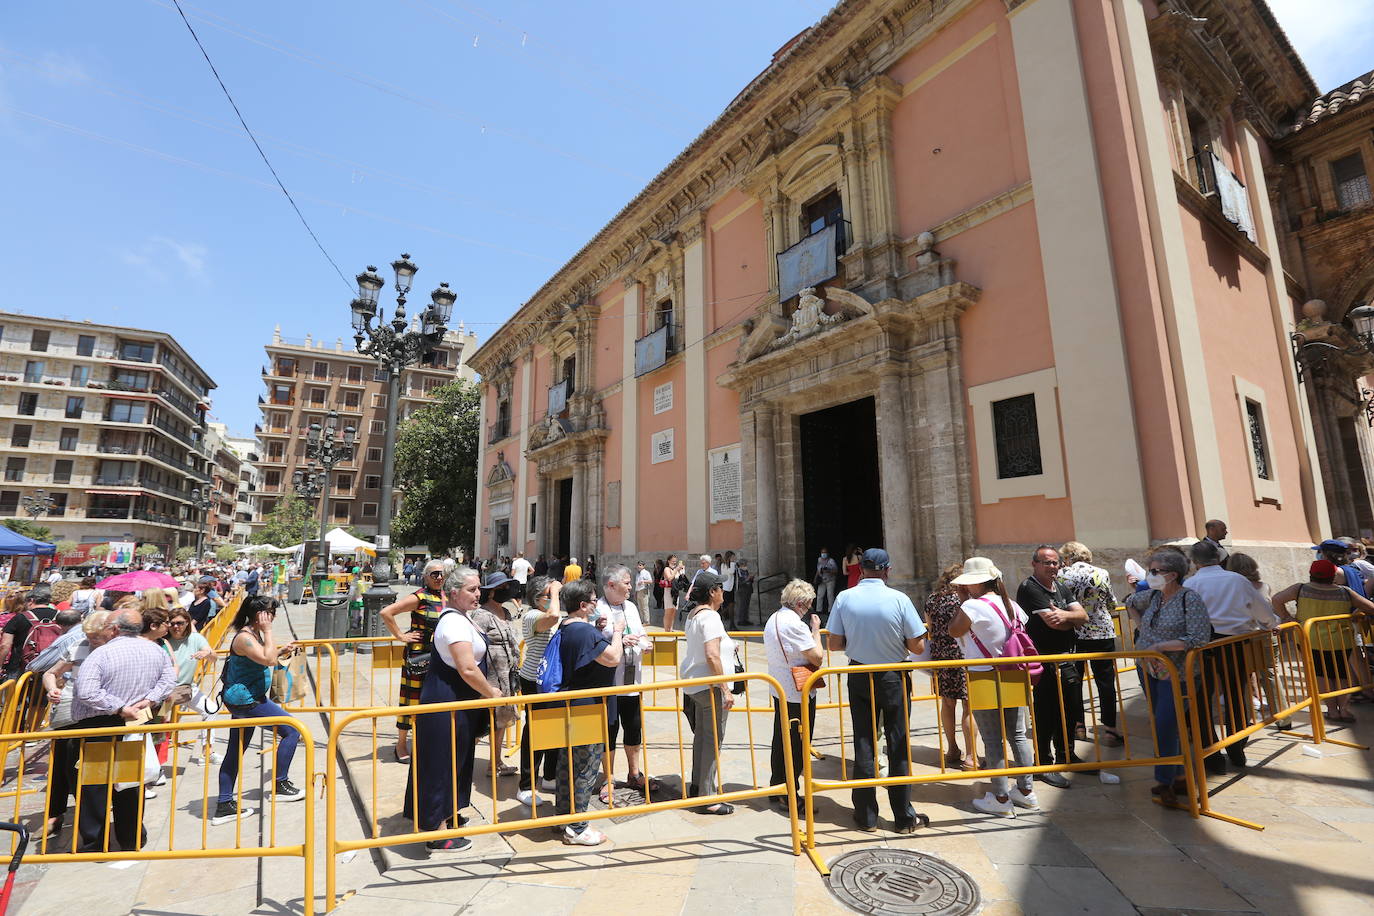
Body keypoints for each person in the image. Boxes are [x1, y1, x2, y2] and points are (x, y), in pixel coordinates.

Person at [827, 548, 928, 832]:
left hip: (859, 674)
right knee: (898, 744)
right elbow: (918, 647)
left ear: (860, 569)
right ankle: (903, 817)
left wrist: (859, 642)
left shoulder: (844, 598)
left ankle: (866, 815)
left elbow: (833, 644)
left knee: (864, 741)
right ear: (887, 569)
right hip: (893, 675)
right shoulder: (899, 599)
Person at [409, 566, 502, 853]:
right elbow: (467, 668)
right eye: (472, 590)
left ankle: (447, 816)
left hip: (458, 703)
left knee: (456, 761)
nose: (478, 594)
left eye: (478, 589)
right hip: (444, 701)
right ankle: (435, 831)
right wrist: (492, 693)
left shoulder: (463, 619)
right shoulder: (453, 623)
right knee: (440, 763)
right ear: (453, 593)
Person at [69, 608, 176, 851]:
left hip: (99, 726)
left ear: (115, 628)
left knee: (94, 786)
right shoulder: (155, 650)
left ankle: (97, 843)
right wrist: (149, 700)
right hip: (134, 724)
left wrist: (119, 707)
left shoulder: (101, 654)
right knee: (129, 784)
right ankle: (132, 838)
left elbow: (86, 691)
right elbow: (169, 680)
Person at [946, 557, 1038, 817]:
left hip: (983, 675)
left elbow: (954, 630)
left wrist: (964, 602)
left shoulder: (973, 606)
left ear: (973, 583)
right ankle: (1027, 791)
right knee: (1018, 734)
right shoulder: (1013, 606)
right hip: (1013, 673)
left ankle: (1000, 796)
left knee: (992, 737)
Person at [1127, 548, 1211, 806]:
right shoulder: (1153, 597)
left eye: (1154, 571)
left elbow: (1198, 638)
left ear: (1172, 574)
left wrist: (1161, 646)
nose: (1149, 575)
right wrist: (1143, 631)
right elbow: (1130, 603)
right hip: (1150, 669)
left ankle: (1165, 780)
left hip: (1177, 672)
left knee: (1165, 722)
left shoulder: (1190, 599)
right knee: (1164, 723)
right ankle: (1178, 776)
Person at [212, 596, 306, 827]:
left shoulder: (251, 635)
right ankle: (280, 785)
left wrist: (280, 650)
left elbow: (265, 658)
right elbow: (267, 659)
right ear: (258, 615)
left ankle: (224, 804)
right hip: (247, 700)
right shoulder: (245, 637)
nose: (272, 616)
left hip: (245, 698)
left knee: (235, 749)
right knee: (292, 731)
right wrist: (269, 632)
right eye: (269, 612)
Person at [1185, 539, 1277, 772]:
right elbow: (1262, 611)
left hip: (1204, 646)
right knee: (1236, 692)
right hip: (1235, 643)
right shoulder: (1237, 580)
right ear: (1218, 558)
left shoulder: (1191, 583)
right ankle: (1237, 746)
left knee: (1204, 698)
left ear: (1195, 562)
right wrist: (1271, 623)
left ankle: (1211, 752)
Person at [550, 578, 623, 845]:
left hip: (570, 704)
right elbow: (613, 657)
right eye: (593, 601)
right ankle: (578, 827)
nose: (596, 604)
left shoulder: (567, 626)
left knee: (566, 764)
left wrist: (596, 628)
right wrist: (617, 631)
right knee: (585, 766)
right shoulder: (583, 632)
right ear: (582, 605)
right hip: (586, 708)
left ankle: (562, 817)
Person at [1016, 546, 1088, 787]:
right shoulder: (1030, 588)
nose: (1052, 567)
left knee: (1069, 709)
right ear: (1034, 564)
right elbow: (1054, 623)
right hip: (1044, 660)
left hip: (1067, 658)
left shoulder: (1061, 586)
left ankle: (1067, 756)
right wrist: (1070, 618)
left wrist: (1067, 616)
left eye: (1056, 563)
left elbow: (1083, 616)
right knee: (1046, 713)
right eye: (1046, 562)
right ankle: (1044, 763)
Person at [41, 610, 116, 838]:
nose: (91, 640)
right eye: (89, 636)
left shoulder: (116, 650)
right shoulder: (79, 646)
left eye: (96, 636)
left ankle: (94, 818)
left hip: (104, 714)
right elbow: (50, 673)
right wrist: (51, 688)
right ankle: (61, 813)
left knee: (96, 769)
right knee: (66, 766)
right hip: (71, 713)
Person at [1271, 558, 1374, 723]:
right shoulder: (1345, 592)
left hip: (1309, 640)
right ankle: (1344, 710)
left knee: (1321, 675)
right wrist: (1356, 614)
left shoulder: (1300, 589)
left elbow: (1276, 599)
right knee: (1341, 675)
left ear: (1311, 574)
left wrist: (1286, 617)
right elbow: (1369, 607)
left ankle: (1332, 711)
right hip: (1340, 641)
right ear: (1333, 575)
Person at [1056, 542, 1125, 749]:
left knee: (1075, 680)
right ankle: (1111, 730)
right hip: (1102, 631)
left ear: (1067, 557)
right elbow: (1111, 602)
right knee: (1105, 682)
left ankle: (1078, 725)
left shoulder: (1062, 575)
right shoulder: (1101, 572)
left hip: (1074, 631)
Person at [380, 559, 449, 763]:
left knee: (435, 698)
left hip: (439, 655)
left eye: (442, 574)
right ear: (426, 576)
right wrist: (401, 636)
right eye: (434, 574)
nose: (439, 577)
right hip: (419, 656)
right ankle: (401, 744)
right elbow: (387, 612)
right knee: (411, 699)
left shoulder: (446, 596)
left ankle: (428, 741)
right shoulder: (419, 596)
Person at [595, 565, 654, 801]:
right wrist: (618, 637)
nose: (631, 586)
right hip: (609, 681)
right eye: (627, 583)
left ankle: (634, 773)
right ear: (611, 585)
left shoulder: (631, 606)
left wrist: (645, 642)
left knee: (633, 726)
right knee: (609, 730)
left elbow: (640, 632)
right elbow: (595, 638)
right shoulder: (598, 608)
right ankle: (608, 777)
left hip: (632, 681)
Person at [678, 571, 735, 814]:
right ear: (712, 592)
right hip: (709, 686)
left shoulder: (693, 614)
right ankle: (708, 798)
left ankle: (697, 787)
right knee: (712, 742)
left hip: (695, 684)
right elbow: (712, 654)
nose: (723, 592)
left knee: (702, 738)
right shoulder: (710, 617)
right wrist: (725, 689)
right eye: (720, 588)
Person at [764, 579, 821, 809]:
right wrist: (815, 631)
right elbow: (817, 656)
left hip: (781, 688)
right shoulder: (795, 625)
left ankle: (777, 786)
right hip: (798, 691)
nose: (808, 611)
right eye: (807, 606)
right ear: (800, 603)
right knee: (797, 744)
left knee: (781, 739)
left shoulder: (774, 617)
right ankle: (789, 793)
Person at [923, 564, 976, 771]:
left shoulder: (931, 600)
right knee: (968, 706)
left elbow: (930, 628)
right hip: (963, 655)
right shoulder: (965, 601)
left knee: (947, 704)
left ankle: (952, 748)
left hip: (941, 657)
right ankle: (971, 756)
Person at [515, 576, 560, 806]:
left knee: (554, 728)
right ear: (536, 599)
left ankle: (550, 775)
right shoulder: (532, 615)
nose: (552, 598)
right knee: (534, 730)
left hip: (550, 680)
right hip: (534, 679)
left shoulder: (551, 611)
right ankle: (526, 785)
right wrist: (557, 593)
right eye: (547, 595)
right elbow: (552, 616)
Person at [470, 573, 520, 778]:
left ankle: (496, 761)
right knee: (481, 722)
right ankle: (458, 759)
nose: (506, 591)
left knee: (501, 720)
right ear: (491, 592)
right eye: (502, 587)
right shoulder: (481, 615)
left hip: (507, 675)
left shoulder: (506, 612)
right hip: (489, 677)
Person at [161, 606, 219, 766]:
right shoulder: (163, 641)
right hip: (164, 691)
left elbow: (214, 657)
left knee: (211, 710)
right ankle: (156, 764)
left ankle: (208, 751)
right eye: (172, 623)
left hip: (186, 688)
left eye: (179, 623)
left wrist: (207, 654)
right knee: (160, 725)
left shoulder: (195, 638)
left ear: (187, 622)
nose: (176, 627)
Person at [0, 585, 58, 680]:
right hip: (52, 665)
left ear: (31, 601)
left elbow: (5, 645)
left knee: (15, 693)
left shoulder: (20, 618)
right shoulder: (60, 615)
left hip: (21, 666)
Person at [663, 554, 686, 632]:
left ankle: (671, 628)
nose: (674, 563)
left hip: (675, 592)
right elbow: (669, 578)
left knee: (673, 611)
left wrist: (682, 571)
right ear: (668, 561)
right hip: (668, 591)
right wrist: (676, 570)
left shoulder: (676, 569)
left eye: (675, 561)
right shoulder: (666, 569)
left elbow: (681, 579)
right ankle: (666, 630)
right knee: (668, 611)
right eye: (673, 561)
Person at [813, 548, 838, 618]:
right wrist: (815, 578)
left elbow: (836, 571)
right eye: (822, 552)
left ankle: (830, 611)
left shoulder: (831, 561)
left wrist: (828, 570)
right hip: (822, 580)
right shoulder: (819, 560)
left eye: (825, 552)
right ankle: (818, 610)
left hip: (830, 580)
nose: (823, 554)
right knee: (819, 595)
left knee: (830, 595)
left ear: (827, 553)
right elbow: (818, 570)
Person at [719, 551, 737, 626]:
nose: (734, 559)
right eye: (733, 557)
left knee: (731, 606)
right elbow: (731, 572)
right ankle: (718, 615)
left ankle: (732, 624)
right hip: (727, 588)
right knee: (728, 606)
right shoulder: (723, 565)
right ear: (729, 557)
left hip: (731, 588)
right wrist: (733, 563)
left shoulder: (731, 564)